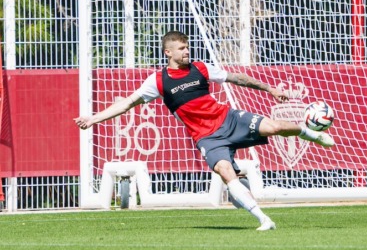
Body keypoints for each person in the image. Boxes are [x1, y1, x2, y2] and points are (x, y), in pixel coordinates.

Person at [75, 30, 335, 231]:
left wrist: (271, 89)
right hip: (207, 138)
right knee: (225, 173)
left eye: (187, 47)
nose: (187, 51)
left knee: (276, 126)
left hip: (229, 119)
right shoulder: (157, 81)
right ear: (168, 52)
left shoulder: (200, 68)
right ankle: (264, 219)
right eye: (181, 48)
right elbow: (127, 104)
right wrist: (93, 119)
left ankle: (314, 134)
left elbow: (237, 78)